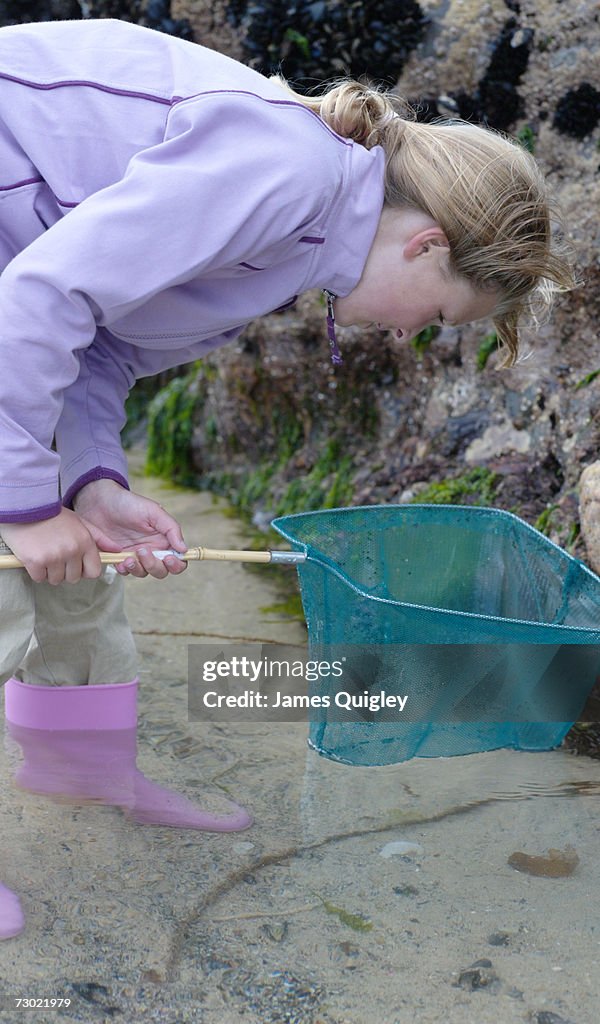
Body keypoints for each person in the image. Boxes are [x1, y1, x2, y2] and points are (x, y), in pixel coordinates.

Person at [0, 17, 575, 939]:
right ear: (426, 245)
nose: (405, 336)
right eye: (434, 315)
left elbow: (96, 346)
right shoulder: (288, 169)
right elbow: (35, 301)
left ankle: (79, 766)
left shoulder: (293, 251)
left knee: (82, 566)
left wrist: (91, 485)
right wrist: (26, 507)